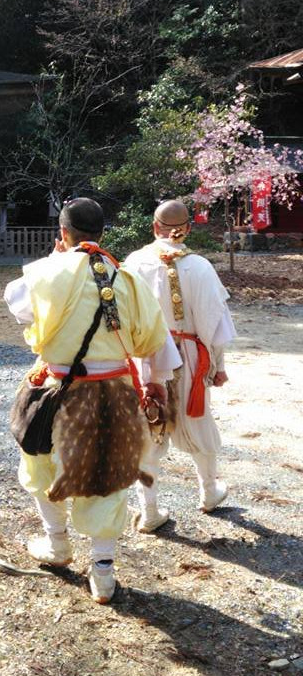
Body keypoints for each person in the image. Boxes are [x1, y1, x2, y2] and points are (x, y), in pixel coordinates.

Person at [4, 198, 181, 603]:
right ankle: (102, 572)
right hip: (114, 392)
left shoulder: (47, 272)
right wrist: (155, 384)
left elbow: (18, 306)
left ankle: (56, 543)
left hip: (55, 389)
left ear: (63, 233)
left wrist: (56, 261)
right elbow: (156, 342)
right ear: (103, 233)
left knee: (41, 465)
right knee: (106, 477)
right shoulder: (127, 278)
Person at [124, 199, 237, 533]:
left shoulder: (134, 263)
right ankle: (209, 491)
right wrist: (217, 366)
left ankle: (149, 510)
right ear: (187, 228)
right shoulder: (201, 267)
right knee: (198, 419)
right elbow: (215, 325)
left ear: (154, 227)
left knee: (148, 428)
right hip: (190, 356)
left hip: (147, 357)